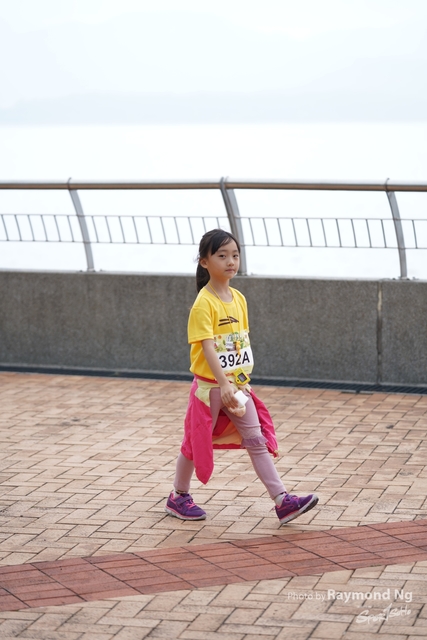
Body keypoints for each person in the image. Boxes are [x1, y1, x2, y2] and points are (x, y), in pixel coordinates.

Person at [165, 229, 318, 525]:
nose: (230, 261)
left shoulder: (239, 298)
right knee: (194, 442)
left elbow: (240, 342)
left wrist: (238, 383)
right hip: (209, 389)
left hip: (236, 387)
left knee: (256, 440)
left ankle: (282, 501)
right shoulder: (203, 303)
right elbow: (207, 346)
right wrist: (222, 383)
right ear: (204, 261)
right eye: (222, 256)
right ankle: (178, 496)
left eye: (235, 255)